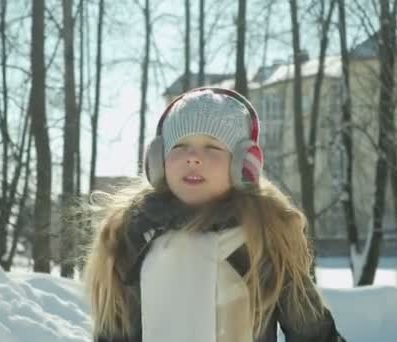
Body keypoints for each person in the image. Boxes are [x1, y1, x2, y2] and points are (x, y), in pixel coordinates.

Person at [83, 87, 346, 342]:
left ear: (243, 164)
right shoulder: (132, 235)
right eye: (181, 145)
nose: (193, 158)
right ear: (158, 160)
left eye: (212, 147)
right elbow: (113, 330)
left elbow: (312, 331)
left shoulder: (262, 237)